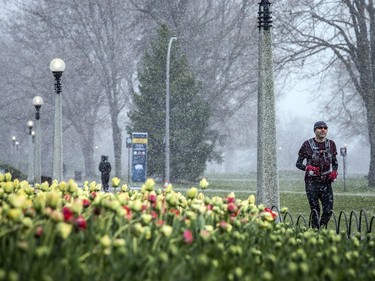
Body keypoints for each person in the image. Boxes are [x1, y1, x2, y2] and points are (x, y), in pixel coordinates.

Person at [296, 121, 339, 228]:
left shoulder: (331, 144)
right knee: (315, 210)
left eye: (325, 128)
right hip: (312, 183)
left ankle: (322, 226)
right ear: (315, 130)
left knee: (328, 209)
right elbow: (298, 163)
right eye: (320, 128)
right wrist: (308, 167)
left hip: (326, 182)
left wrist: (334, 172)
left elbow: (335, 162)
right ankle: (315, 231)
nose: (323, 130)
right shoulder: (307, 144)